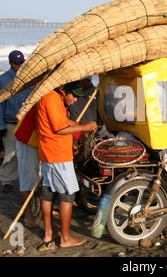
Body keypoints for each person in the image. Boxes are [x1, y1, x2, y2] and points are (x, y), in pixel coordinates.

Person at [36, 81, 98, 248]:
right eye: (74, 96)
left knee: (49, 191)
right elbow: (59, 128)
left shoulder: (50, 97)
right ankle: (65, 238)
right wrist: (83, 126)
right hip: (58, 153)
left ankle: (49, 233)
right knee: (68, 194)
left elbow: (63, 121)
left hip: (47, 152)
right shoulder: (52, 99)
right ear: (64, 91)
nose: (76, 100)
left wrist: (81, 125)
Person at [0, 50, 33, 193]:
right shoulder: (3, 80)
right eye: (17, 63)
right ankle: (7, 181)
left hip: (28, 122)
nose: (20, 65)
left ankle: (30, 179)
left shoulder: (31, 77)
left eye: (22, 62)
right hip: (10, 122)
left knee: (30, 153)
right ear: (10, 63)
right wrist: (0, 125)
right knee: (11, 153)